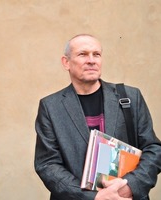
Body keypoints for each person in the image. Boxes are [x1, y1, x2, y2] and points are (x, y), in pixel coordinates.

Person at [34, 34, 161, 200]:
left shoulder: (130, 97)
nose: (91, 60)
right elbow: (47, 164)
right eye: (83, 54)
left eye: (97, 54)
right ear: (66, 62)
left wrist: (129, 186)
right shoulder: (51, 106)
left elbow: (153, 149)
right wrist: (94, 197)